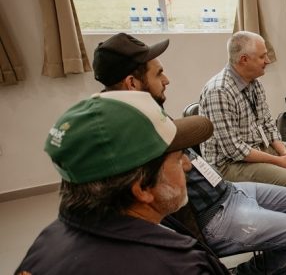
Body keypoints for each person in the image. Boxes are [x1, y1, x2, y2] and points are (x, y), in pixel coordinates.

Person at [93, 33, 286, 274]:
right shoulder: (132, 133)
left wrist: (281, 152)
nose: (167, 79)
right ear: (132, 83)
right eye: (159, 73)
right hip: (214, 211)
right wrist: (278, 161)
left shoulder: (150, 113)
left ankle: (276, 253)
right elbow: (229, 152)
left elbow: (264, 123)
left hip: (223, 189)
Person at [16, 91, 229, 275]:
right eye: (178, 157)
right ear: (142, 188)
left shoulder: (46, 244)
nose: (187, 165)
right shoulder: (181, 267)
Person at [200, 31, 286, 190]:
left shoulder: (254, 83)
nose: (268, 61)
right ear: (244, 60)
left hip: (254, 147)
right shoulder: (219, 91)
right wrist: (277, 161)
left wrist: (283, 152)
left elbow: (268, 123)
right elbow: (234, 150)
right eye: (263, 57)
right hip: (228, 164)